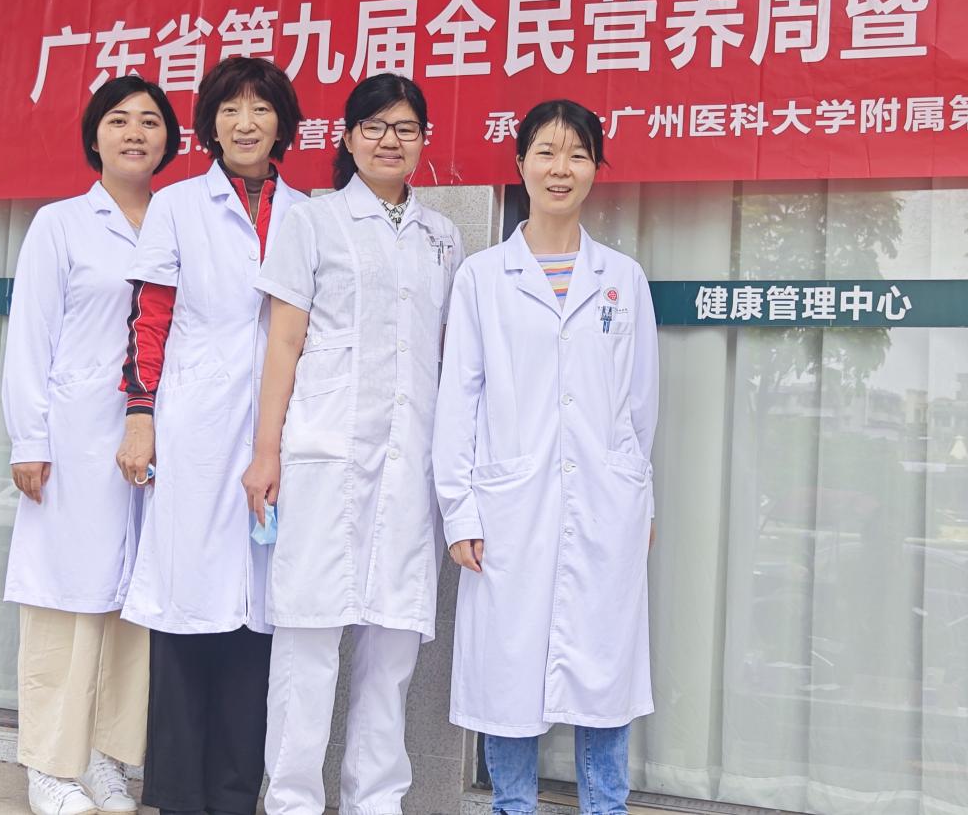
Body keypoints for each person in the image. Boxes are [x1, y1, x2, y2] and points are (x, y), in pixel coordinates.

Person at [241, 73, 463, 815]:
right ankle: (292, 802)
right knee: (307, 642)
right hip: (324, 455)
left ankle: (376, 801)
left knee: (391, 649)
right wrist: (266, 451)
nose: (389, 140)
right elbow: (284, 342)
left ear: (424, 140)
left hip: (409, 462)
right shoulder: (314, 221)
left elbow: (443, 354)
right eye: (374, 126)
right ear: (346, 137)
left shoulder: (442, 237)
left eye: (405, 128)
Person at [432, 99, 659, 815]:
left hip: (605, 503)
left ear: (596, 168)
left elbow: (639, 406)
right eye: (547, 152)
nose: (562, 168)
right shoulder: (482, 277)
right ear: (521, 163)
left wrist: (639, 497)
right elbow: (458, 401)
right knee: (507, 674)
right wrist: (460, 509)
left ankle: (606, 808)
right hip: (508, 507)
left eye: (578, 154)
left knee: (603, 673)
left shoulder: (622, 278)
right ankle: (512, 807)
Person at [115, 55, 307, 815]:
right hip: (193, 424)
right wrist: (140, 414)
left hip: (277, 429)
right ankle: (176, 795)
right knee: (185, 609)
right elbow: (149, 317)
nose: (245, 123)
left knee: (258, 619)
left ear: (283, 123)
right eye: (230, 109)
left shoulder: (306, 213)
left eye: (260, 108)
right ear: (211, 125)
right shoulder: (177, 206)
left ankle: (233, 794)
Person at [2, 74, 180, 815]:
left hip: (158, 442)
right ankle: (49, 765)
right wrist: (29, 437)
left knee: (132, 605)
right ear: (95, 136)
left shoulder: (176, 221)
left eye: (150, 121)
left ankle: (106, 757)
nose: (135, 132)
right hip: (75, 440)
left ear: (170, 139)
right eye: (119, 120)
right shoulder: (62, 225)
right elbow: (29, 335)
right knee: (65, 599)